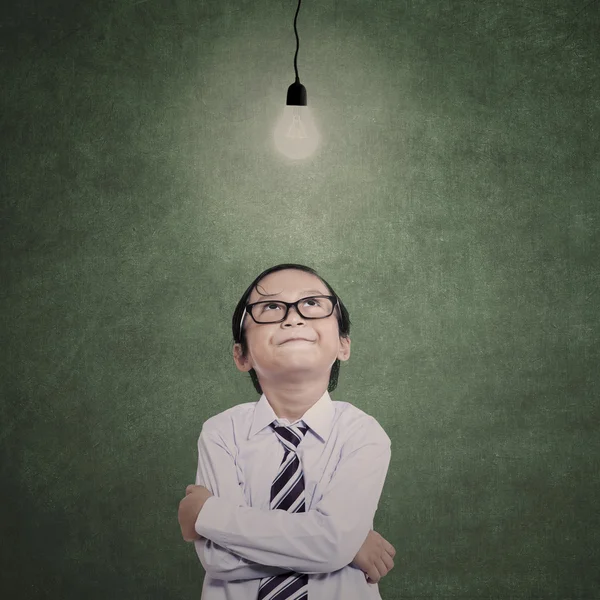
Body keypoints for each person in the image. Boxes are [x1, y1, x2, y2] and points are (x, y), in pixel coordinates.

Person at [178, 263, 396, 599]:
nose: (293, 318)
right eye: (270, 307)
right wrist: (344, 548)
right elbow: (219, 558)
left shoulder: (363, 433)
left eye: (312, 304)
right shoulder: (222, 433)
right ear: (241, 355)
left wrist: (209, 515)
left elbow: (332, 544)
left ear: (343, 345)